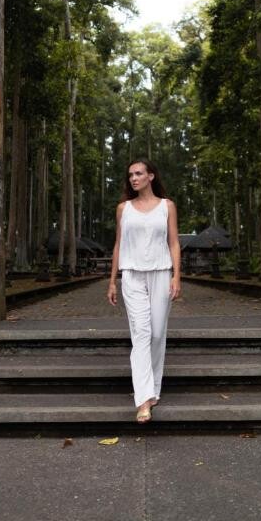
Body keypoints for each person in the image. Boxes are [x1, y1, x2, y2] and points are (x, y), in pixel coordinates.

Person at [107, 159, 181, 423]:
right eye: (130, 175)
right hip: (132, 276)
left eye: (138, 173)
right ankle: (143, 400)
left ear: (151, 176)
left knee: (157, 334)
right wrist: (112, 280)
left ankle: (154, 389)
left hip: (161, 272)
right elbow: (118, 244)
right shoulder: (123, 209)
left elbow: (174, 242)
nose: (133, 178)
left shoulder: (167, 206)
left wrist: (176, 276)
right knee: (141, 334)